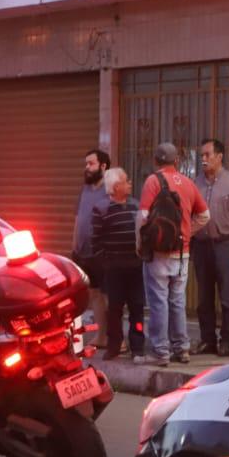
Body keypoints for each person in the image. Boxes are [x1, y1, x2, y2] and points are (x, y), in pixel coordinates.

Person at [137, 142, 210, 366]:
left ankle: (161, 352)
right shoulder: (188, 183)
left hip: (159, 252)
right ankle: (182, 348)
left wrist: (140, 244)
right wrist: (187, 233)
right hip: (182, 253)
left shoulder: (152, 181)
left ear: (155, 161)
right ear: (176, 161)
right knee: (177, 300)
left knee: (159, 301)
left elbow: (142, 216)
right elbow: (205, 215)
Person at [192, 138, 229, 357]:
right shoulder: (195, 182)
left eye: (207, 155)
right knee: (204, 297)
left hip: (225, 245)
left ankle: (227, 340)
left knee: (227, 295)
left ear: (219, 156)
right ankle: (207, 339)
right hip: (201, 246)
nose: (203, 160)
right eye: (201, 156)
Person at [92, 168, 146, 362]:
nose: (130, 183)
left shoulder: (135, 206)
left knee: (137, 308)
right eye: (126, 181)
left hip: (135, 268)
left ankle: (138, 346)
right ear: (116, 187)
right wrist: (105, 264)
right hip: (114, 269)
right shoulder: (101, 209)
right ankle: (114, 345)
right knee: (114, 309)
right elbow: (95, 242)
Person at [72, 149, 112, 349]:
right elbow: (78, 218)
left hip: (102, 252)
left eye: (91, 163)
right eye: (86, 164)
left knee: (108, 295)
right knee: (93, 293)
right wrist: (75, 245)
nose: (87, 168)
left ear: (103, 166)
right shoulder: (85, 189)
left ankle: (114, 337)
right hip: (83, 252)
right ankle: (101, 335)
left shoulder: (111, 189)